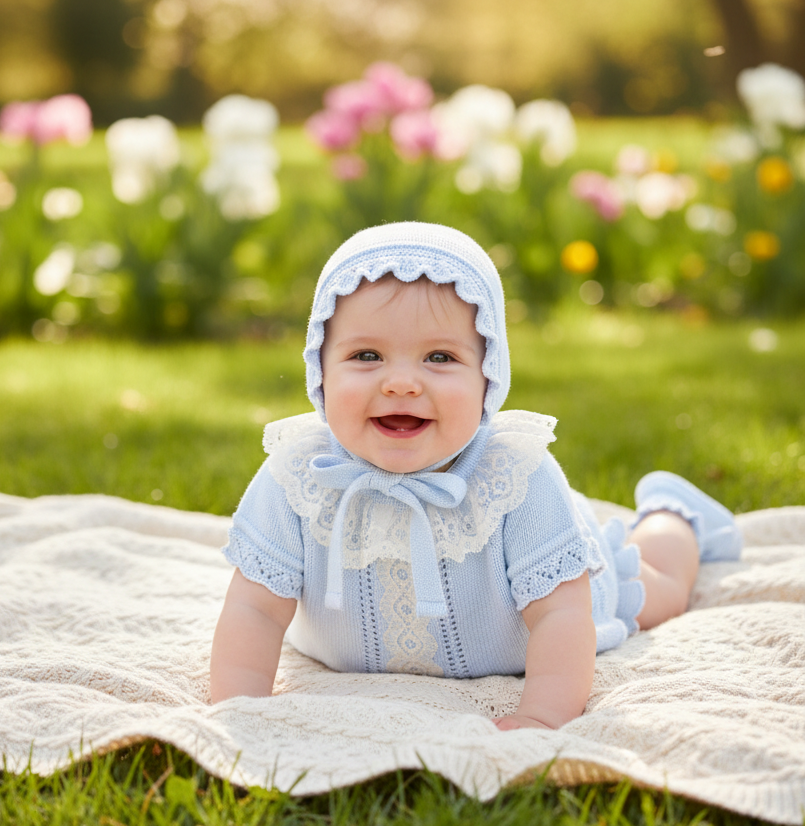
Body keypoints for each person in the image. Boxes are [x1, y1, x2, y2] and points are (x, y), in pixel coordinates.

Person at [210, 222, 741, 730]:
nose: (400, 383)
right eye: (366, 355)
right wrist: (239, 711)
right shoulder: (300, 477)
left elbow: (562, 615)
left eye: (439, 357)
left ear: (489, 376)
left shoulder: (514, 480)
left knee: (659, 590)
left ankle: (675, 515)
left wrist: (541, 715)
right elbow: (255, 609)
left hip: (541, 607)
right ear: (319, 370)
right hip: (338, 643)